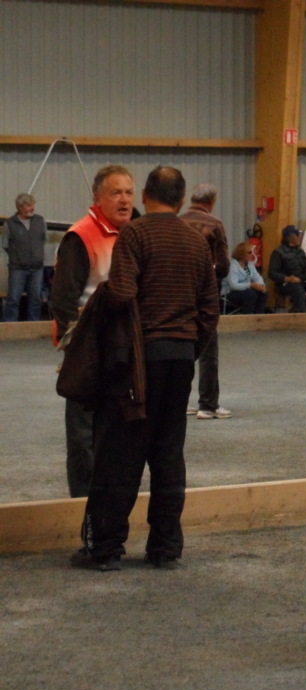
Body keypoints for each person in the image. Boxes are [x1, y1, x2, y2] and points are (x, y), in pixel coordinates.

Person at [70, 165, 219, 571]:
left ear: (146, 195)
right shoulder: (196, 241)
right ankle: (166, 548)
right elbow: (210, 310)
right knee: (169, 453)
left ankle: (105, 549)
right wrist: (189, 347)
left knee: (121, 452)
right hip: (180, 358)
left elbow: (121, 293)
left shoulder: (135, 234)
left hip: (140, 361)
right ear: (181, 197)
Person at [50, 165, 136, 498]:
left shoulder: (133, 233)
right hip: (88, 352)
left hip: (124, 350)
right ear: (97, 198)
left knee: (117, 434)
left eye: (129, 192)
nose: (124, 200)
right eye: (116, 193)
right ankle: (83, 506)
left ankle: (111, 507)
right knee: (83, 438)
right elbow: (62, 301)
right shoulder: (80, 237)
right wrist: (78, 350)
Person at [181, 184, 231, 420]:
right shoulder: (214, 224)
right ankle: (207, 405)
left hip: (179, 294)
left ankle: (179, 400)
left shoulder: (177, 222)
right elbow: (222, 266)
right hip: (204, 297)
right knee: (208, 349)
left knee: (182, 347)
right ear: (212, 201)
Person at [2, 193, 47, 322]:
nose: (32, 208)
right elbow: (6, 245)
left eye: (33, 204)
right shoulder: (10, 224)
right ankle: (10, 328)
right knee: (13, 299)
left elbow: (43, 240)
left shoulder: (40, 221)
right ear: (19, 207)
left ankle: (33, 328)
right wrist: (19, 256)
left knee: (35, 299)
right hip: (17, 269)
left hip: (37, 268)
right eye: (28, 205)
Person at [222, 241, 268, 314]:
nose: (252, 255)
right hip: (230, 293)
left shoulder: (249, 265)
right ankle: (248, 317)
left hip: (246, 291)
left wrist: (261, 285)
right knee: (250, 294)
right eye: (249, 252)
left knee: (262, 293)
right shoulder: (233, 265)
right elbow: (233, 285)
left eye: (252, 252)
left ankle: (259, 317)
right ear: (241, 254)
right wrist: (250, 285)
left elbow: (257, 277)